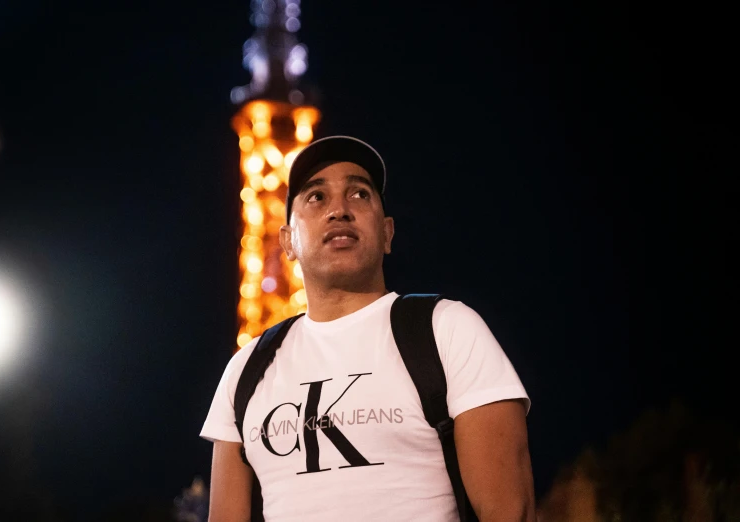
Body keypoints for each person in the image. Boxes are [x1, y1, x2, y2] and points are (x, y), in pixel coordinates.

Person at [201, 136, 535, 521]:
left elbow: (512, 512)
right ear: (287, 241)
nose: (339, 210)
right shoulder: (245, 370)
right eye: (316, 197)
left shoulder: (447, 330)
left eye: (359, 194)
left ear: (388, 233)